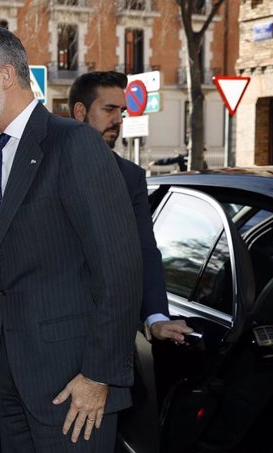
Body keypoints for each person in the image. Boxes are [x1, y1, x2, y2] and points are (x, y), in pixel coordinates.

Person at [0, 27, 143, 453]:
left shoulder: (73, 143)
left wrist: (99, 376)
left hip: (74, 386)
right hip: (9, 379)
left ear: (5, 74)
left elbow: (120, 267)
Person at [68, 71, 193, 343]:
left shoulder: (131, 177)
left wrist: (156, 316)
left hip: (113, 336)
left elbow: (144, 250)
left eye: (121, 111)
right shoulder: (45, 167)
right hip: (51, 336)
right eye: (109, 109)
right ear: (80, 111)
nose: (118, 119)